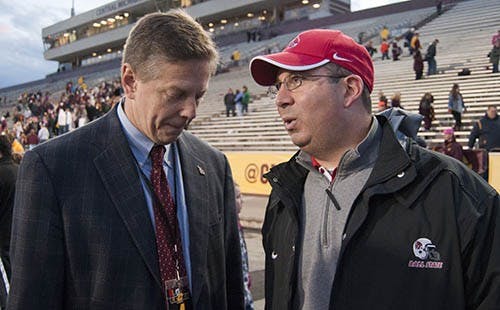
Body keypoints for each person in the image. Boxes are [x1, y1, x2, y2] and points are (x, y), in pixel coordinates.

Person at [8, 10, 244, 309]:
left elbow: (229, 289)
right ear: (130, 81)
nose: (190, 111)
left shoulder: (213, 165)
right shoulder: (52, 167)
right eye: (175, 94)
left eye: (198, 96)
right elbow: (33, 300)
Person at [249, 28, 500, 309]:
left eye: (296, 80)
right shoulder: (284, 191)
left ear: (350, 89)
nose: (280, 99)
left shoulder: (457, 192)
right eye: (278, 85)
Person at [0, 134, 19, 309]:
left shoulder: (2, 173)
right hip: (20, 230)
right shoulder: (19, 169)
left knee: (7, 283)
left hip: (4, 235)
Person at [234, 183, 254, 310]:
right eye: (237, 197)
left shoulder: (237, 223)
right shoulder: (228, 227)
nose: (242, 200)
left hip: (245, 288)